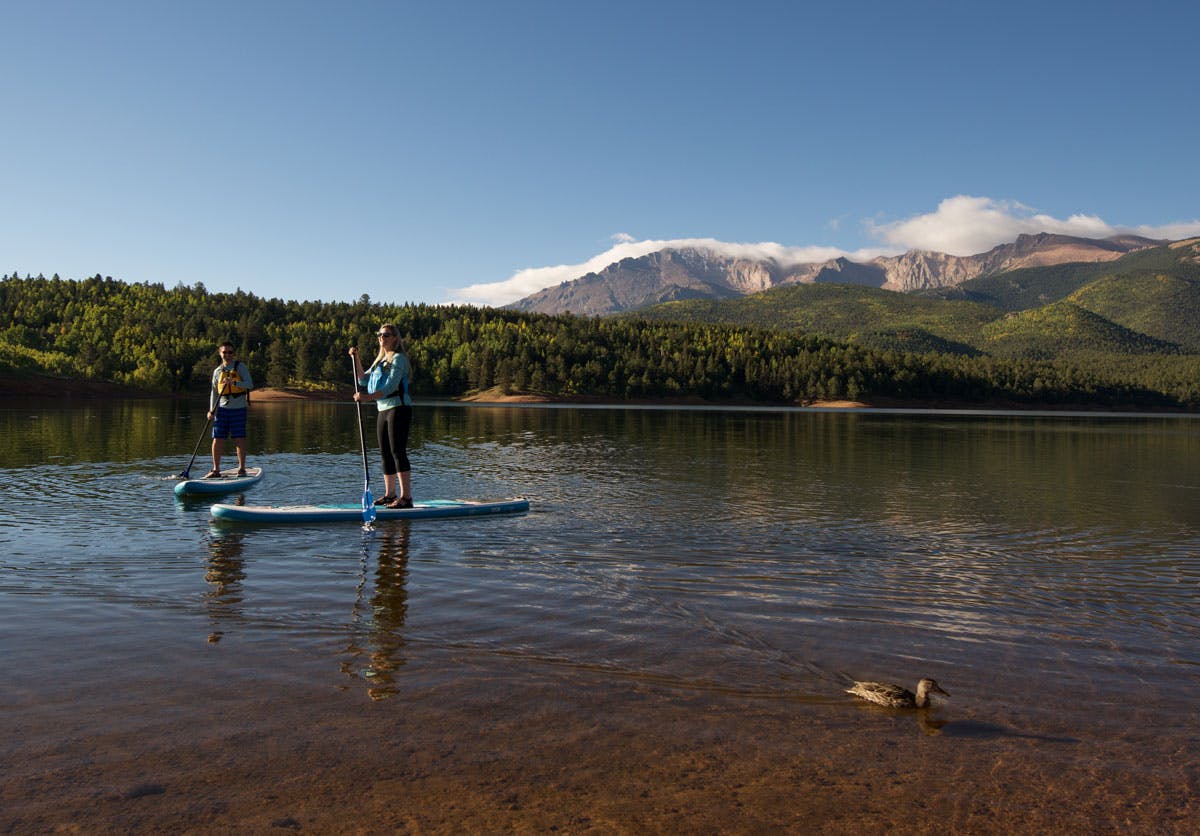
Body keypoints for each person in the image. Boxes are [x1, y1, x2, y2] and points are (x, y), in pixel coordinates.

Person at [349, 324, 414, 508]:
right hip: (382, 409)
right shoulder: (380, 360)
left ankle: (406, 498)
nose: (382, 338)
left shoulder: (399, 359)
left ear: (394, 338)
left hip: (398, 409)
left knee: (397, 452)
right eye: (379, 335)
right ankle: (389, 494)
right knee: (385, 453)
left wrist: (366, 398)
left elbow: (390, 387)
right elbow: (362, 379)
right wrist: (356, 358)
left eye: (386, 335)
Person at [205, 342, 254, 478]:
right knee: (217, 438)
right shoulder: (217, 371)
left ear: (233, 353)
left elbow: (249, 384)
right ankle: (216, 470)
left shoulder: (240, 367)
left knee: (239, 439)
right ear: (220, 354)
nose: (227, 355)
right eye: (224, 352)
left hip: (238, 408)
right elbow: (214, 392)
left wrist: (234, 383)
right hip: (222, 410)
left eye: (230, 352)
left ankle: (242, 469)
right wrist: (211, 410)